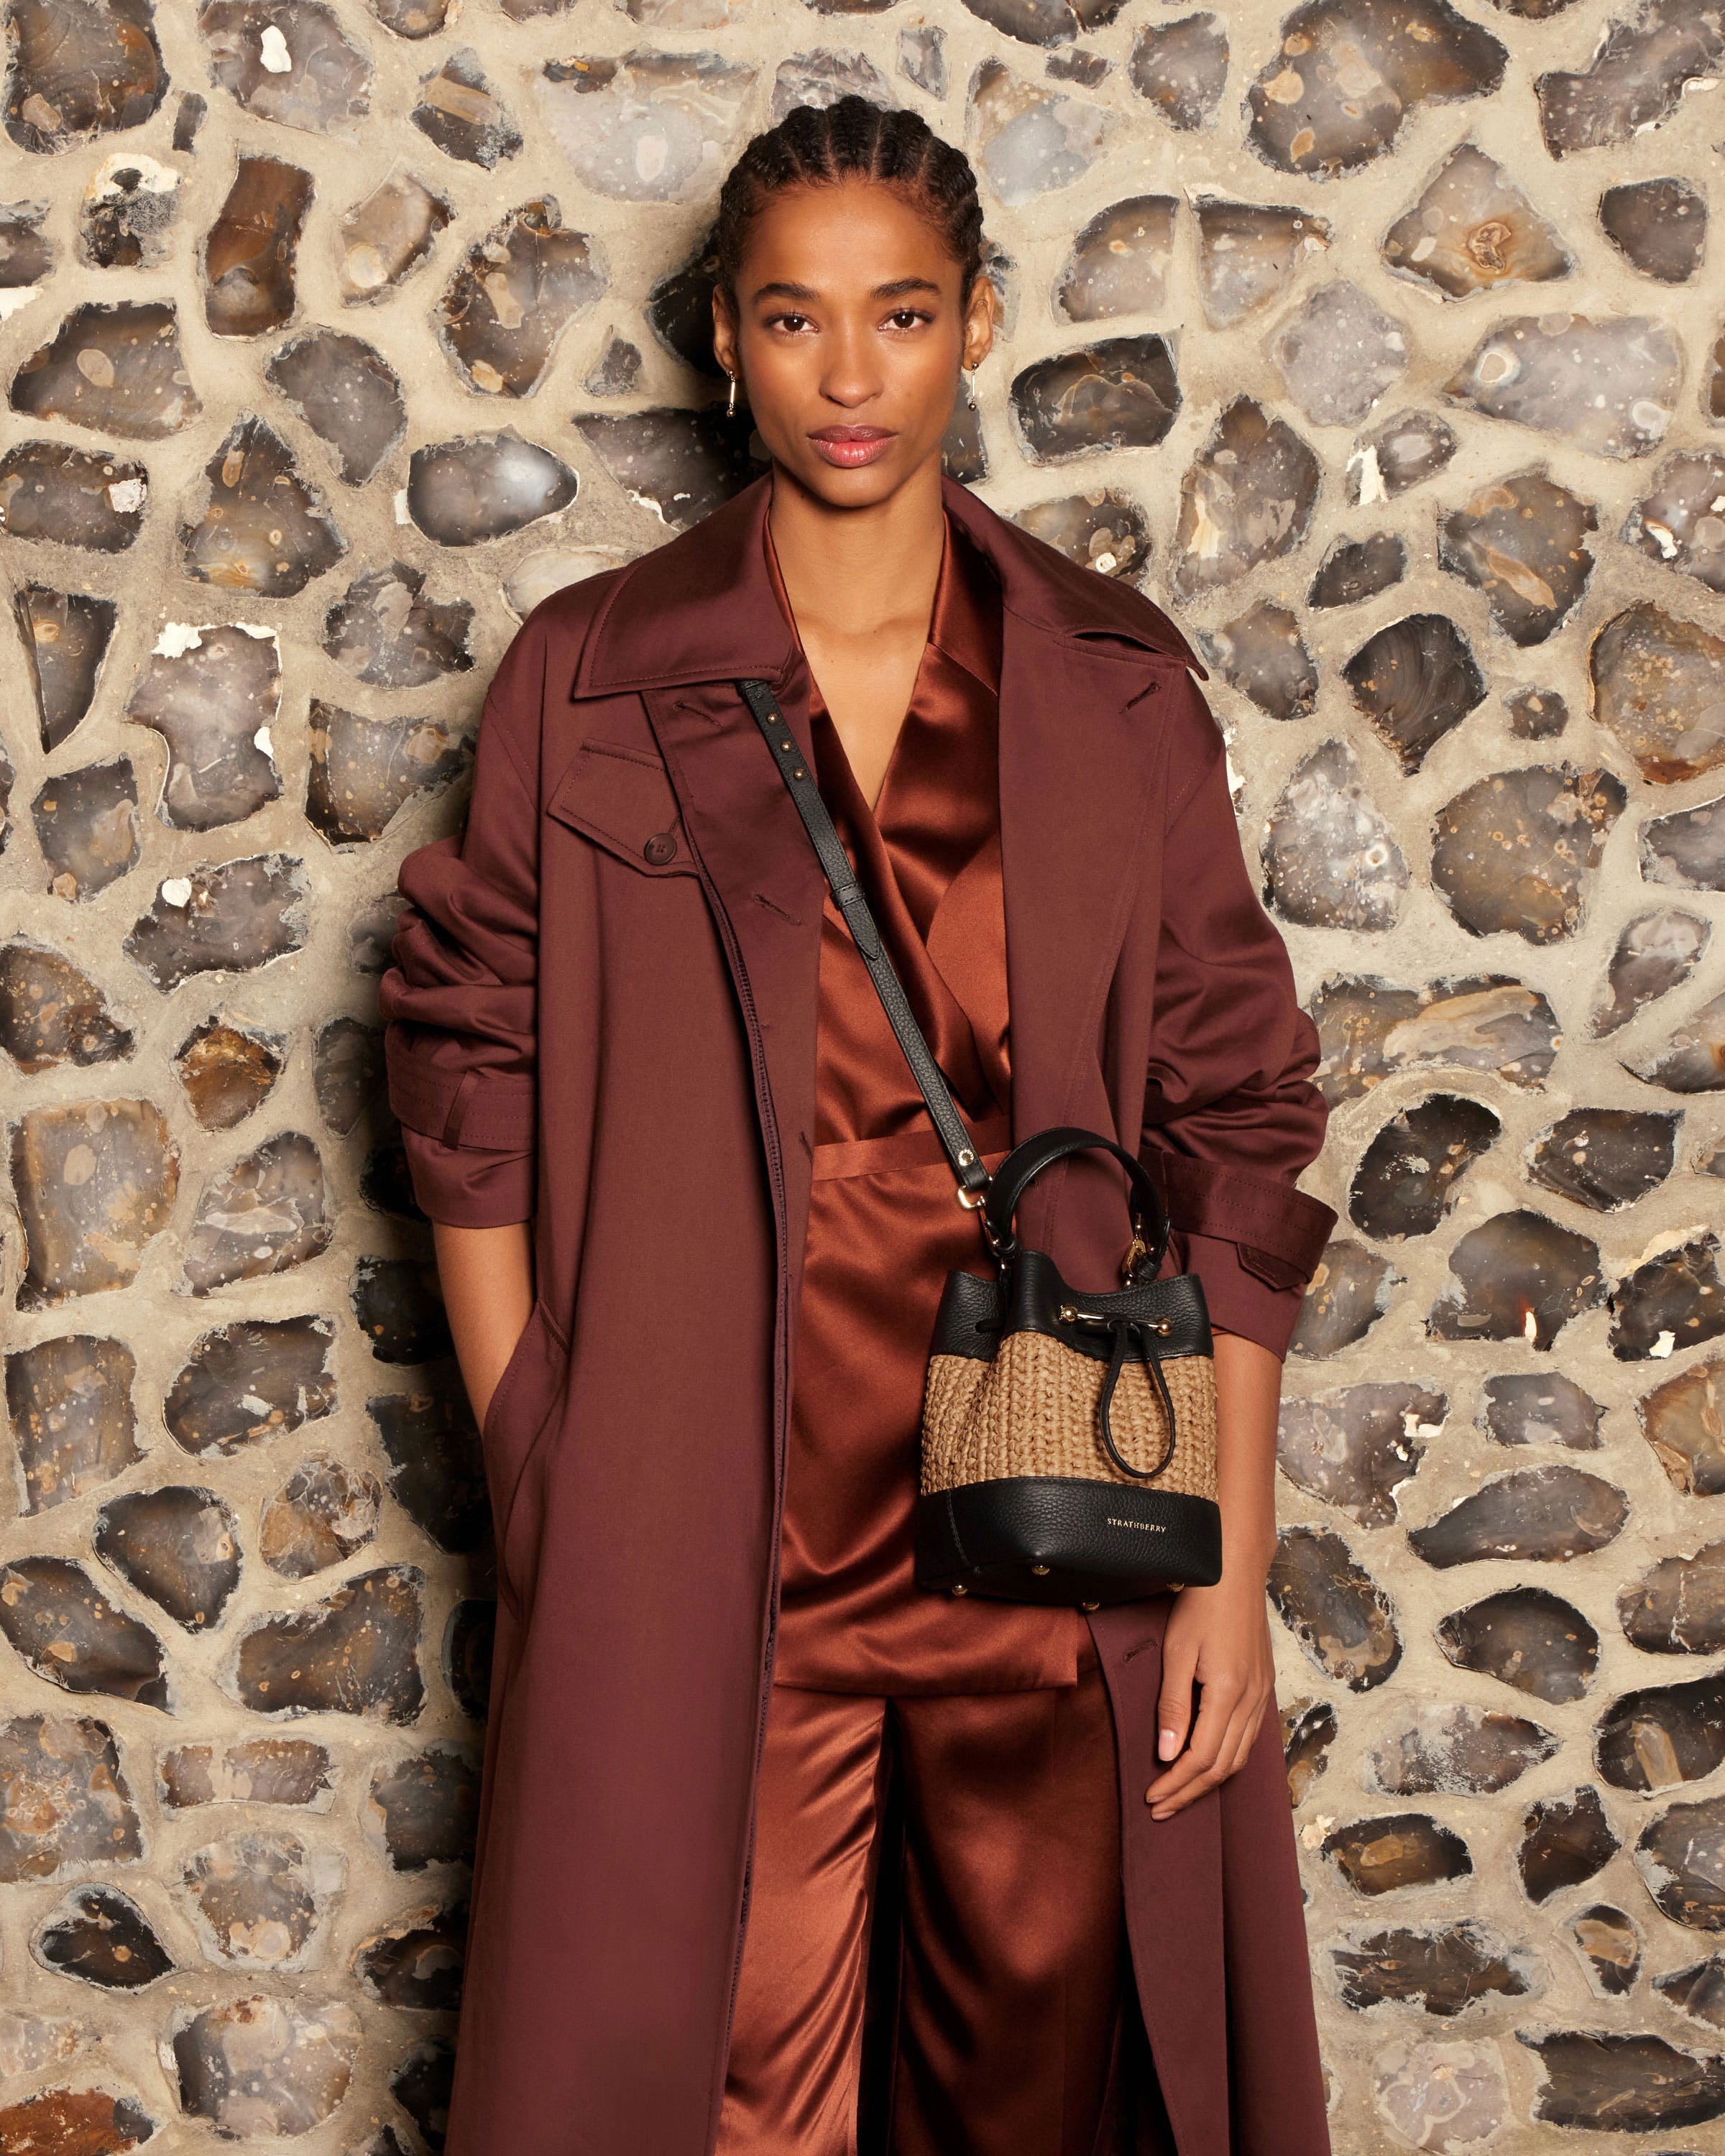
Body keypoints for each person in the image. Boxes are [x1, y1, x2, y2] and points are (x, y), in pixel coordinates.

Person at [378, 93, 1337, 2156]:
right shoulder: (593, 679)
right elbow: (465, 1074)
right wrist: (533, 1438)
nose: (846, 374)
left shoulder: (1114, 682)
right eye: (793, 319)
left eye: (898, 314)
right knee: (705, 2102)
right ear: (723, 339)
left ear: (976, 324)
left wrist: (1232, 1571)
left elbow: (1241, 1123)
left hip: (1061, 1528)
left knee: (1041, 2107)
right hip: (711, 1538)